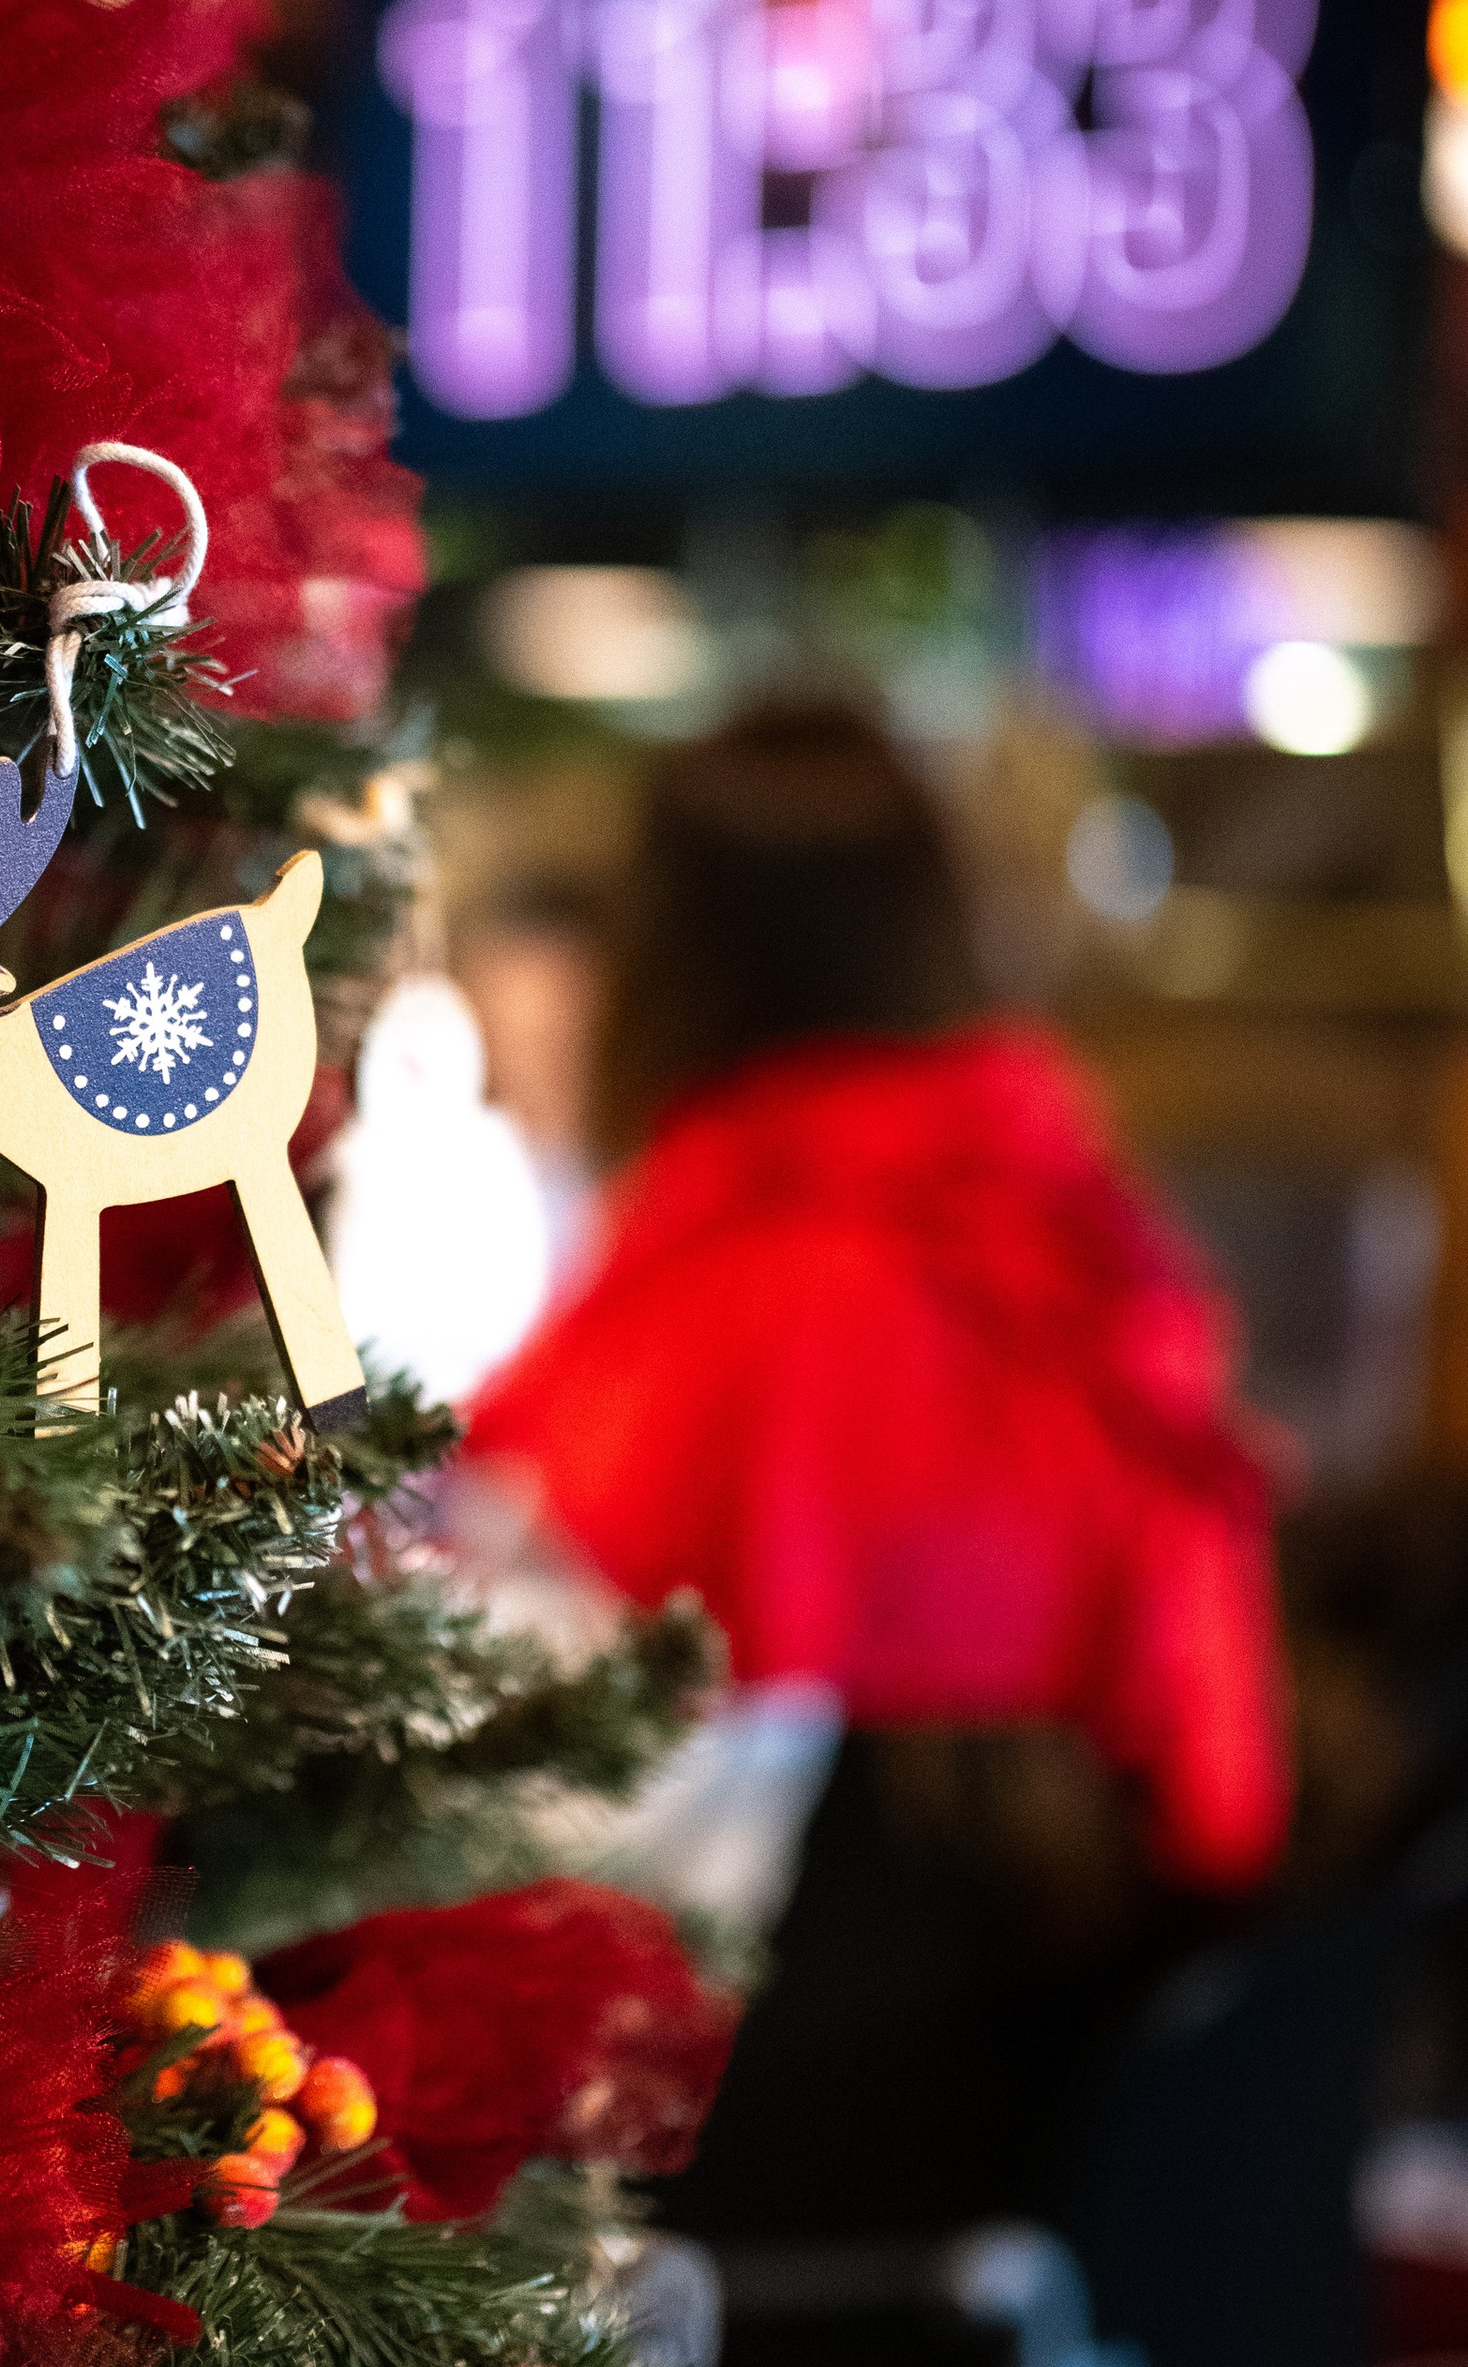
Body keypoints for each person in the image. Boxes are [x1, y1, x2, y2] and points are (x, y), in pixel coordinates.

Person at [463, 694, 1291, 1918]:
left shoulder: (764, 1273)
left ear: (672, 944)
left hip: (854, 2028)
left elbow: (632, 1774)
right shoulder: (1043, 1196)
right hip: (1080, 1963)